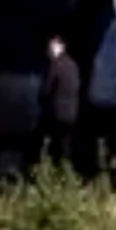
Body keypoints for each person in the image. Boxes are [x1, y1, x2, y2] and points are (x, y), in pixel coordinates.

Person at [39, 34, 81, 169]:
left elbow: (46, 89)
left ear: (61, 47)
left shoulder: (55, 65)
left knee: (54, 144)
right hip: (72, 111)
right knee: (66, 144)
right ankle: (67, 172)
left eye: (52, 47)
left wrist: (43, 101)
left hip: (57, 111)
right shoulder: (73, 65)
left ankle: (53, 172)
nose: (49, 51)